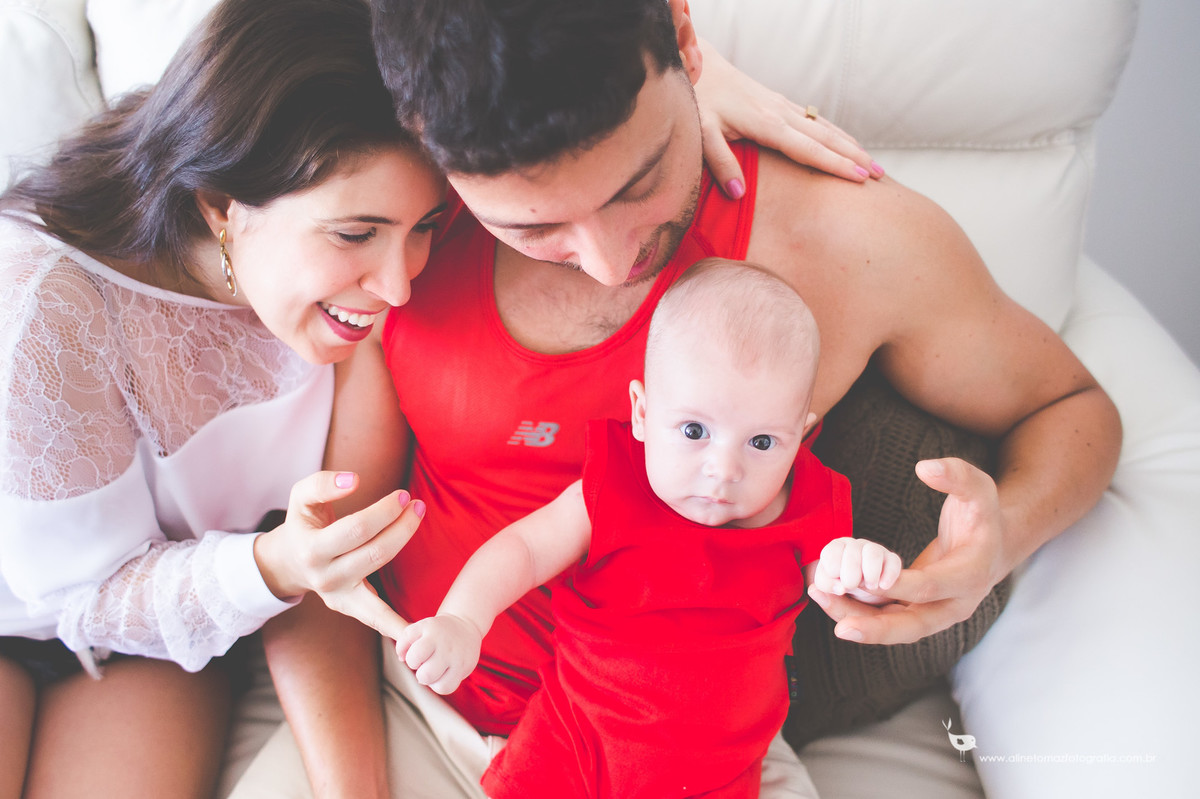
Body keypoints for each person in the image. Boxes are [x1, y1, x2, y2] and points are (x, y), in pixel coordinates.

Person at [249, 0, 1122, 796]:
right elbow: (330, 559)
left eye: (637, 182)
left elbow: (1074, 408)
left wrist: (1001, 538)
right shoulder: (400, 231)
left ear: (687, 42)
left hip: (698, 756)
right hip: (416, 707)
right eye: (533, 228)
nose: (607, 258)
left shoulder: (852, 243)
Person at [0, 0, 446, 794]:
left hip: (161, 634)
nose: (400, 286)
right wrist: (269, 564)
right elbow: (80, 594)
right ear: (221, 206)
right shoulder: (47, 304)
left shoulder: (362, 302)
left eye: (425, 228)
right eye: (355, 234)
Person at [398, 259, 903, 798]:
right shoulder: (614, 487)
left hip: (718, 767)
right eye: (693, 430)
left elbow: (838, 592)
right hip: (576, 736)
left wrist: (860, 573)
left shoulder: (808, 504)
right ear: (641, 413)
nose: (723, 469)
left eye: (761, 443)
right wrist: (462, 619)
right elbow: (522, 548)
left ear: (799, 437)